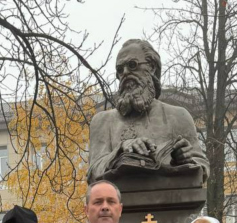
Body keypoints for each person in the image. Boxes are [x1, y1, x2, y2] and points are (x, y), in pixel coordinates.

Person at [87, 39, 208, 187]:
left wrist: (185, 159)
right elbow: (93, 173)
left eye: (132, 65)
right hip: (117, 199)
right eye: (120, 69)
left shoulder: (178, 117)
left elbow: (202, 168)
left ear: (152, 67)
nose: (125, 73)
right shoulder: (103, 121)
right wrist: (121, 150)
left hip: (170, 198)